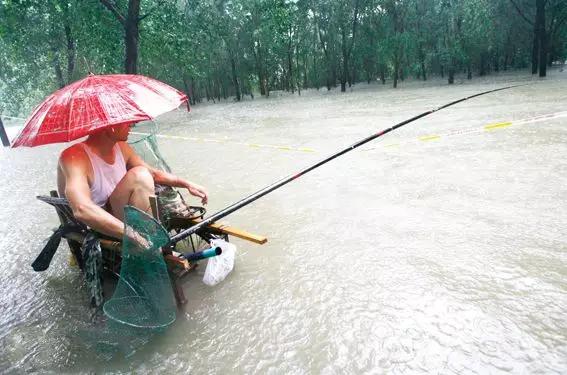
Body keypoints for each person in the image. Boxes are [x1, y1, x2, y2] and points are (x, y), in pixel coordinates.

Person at [57, 122, 208, 240]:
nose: (131, 124)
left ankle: (150, 234)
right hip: (98, 223)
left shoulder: (121, 147)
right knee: (139, 176)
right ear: (109, 126)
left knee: (143, 174)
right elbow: (82, 209)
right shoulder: (73, 157)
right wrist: (133, 236)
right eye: (125, 121)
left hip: (119, 211)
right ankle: (150, 238)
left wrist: (187, 184)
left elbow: (153, 174)